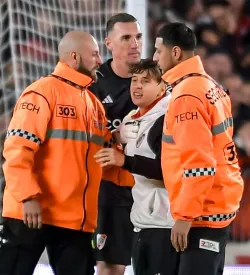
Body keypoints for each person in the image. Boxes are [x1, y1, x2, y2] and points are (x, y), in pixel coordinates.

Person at [0, 31, 106, 275]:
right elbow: (17, 150)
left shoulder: (94, 105)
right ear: (74, 57)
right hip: (30, 212)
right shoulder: (41, 92)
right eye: (94, 54)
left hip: (75, 220)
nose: (99, 60)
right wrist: (28, 196)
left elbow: (107, 156)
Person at [153, 22, 244, 275]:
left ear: (175, 53)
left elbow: (199, 164)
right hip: (219, 201)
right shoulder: (209, 85)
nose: (154, 57)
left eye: (158, 51)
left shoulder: (186, 97)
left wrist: (184, 217)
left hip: (202, 212)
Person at [94, 59, 177, 275]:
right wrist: (116, 139)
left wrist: (124, 161)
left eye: (145, 81)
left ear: (162, 87)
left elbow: (171, 172)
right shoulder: (131, 118)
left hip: (166, 223)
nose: (137, 86)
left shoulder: (168, 118)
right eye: (134, 80)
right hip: (142, 221)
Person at [89, 13, 142, 275]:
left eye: (138, 37)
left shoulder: (156, 80)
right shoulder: (93, 84)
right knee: (111, 267)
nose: (135, 44)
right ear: (108, 42)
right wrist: (115, 138)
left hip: (150, 185)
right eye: (126, 38)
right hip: (110, 188)